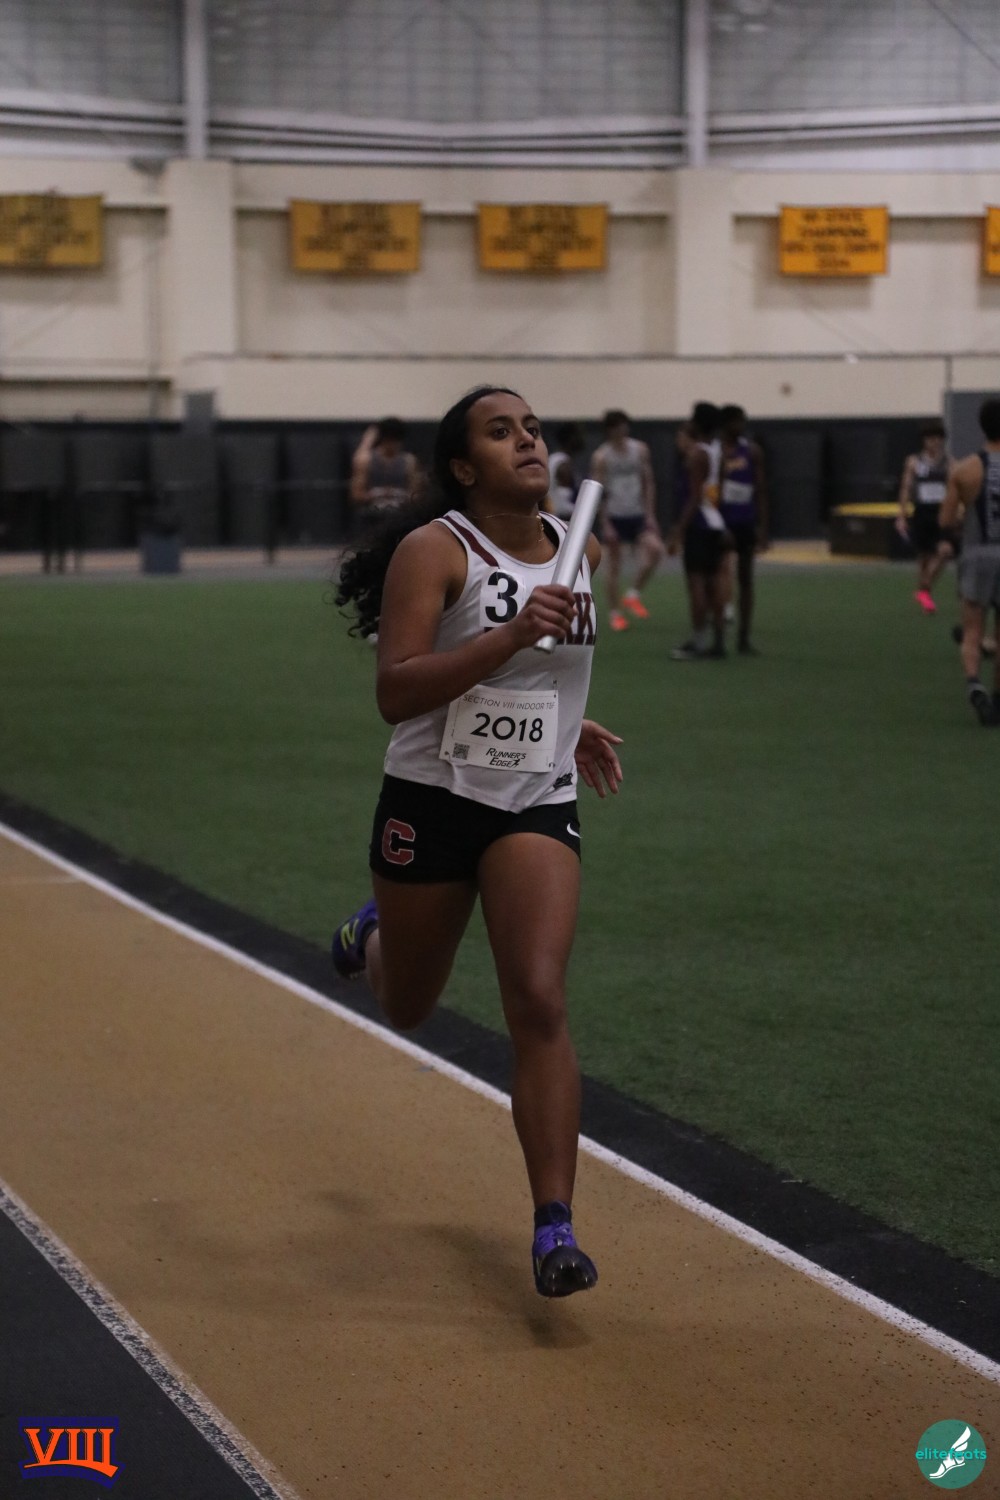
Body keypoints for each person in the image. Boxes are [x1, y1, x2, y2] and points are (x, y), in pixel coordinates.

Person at [332, 385, 623, 1297]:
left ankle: (554, 1227)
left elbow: (551, 674)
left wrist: (569, 724)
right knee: (408, 1004)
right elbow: (397, 690)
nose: (527, 440)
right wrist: (510, 639)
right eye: (502, 433)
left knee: (537, 997)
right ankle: (373, 934)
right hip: (433, 800)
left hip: (534, 799)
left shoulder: (583, 548)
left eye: (532, 428)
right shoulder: (435, 550)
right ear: (464, 466)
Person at [939, 397, 1000, 726]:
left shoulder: (964, 470)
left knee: (973, 631)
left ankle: (975, 684)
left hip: (977, 556)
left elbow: (946, 521)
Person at [590, 409, 665, 632]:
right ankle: (615, 614)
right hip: (615, 515)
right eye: (616, 426)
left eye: (624, 425)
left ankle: (632, 594)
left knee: (656, 550)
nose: (622, 430)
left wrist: (650, 514)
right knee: (614, 566)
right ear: (609, 430)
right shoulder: (602, 457)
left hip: (638, 514)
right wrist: (606, 524)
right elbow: (598, 492)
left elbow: (648, 482)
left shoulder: (639, 450)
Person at [668, 402, 730, 660]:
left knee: (697, 586)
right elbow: (718, 492)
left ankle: (699, 642)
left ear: (696, 422)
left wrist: (678, 530)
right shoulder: (717, 453)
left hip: (699, 525)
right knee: (715, 585)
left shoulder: (696, 455)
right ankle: (719, 642)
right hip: (715, 522)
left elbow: (695, 497)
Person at [718, 405, 769, 655]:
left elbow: (760, 489)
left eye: (743, 421)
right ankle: (718, 636)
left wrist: (763, 527)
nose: (741, 426)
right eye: (736, 422)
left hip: (745, 521)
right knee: (718, 577)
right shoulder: (716, 452)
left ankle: (744, 637)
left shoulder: (752, 451)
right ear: (726, 424)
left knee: (746, 579)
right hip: (721, 522)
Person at [895, 419, 952, 613]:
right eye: (930, 438)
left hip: (941, 513)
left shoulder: (949, 462)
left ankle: (924, 587)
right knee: (924, 558)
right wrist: (901, 516)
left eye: (937, 438)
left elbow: (954, 489)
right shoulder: (914, 462)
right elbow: (906, 488)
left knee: (944, 551)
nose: (934, 442)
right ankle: (926, 598)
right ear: (923, 440)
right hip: (922, 512)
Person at [350, 418, 420, 513]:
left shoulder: (409, 461)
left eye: (396, 441)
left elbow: (416, 494)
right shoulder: (366, 460)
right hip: (373, 512)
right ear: (382, 439)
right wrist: (378, 494)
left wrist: (398, 494)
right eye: (389, 440)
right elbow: (356, 494)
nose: (392, 445)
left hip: (401, 512)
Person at [546, 422, 585, 520]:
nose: (581, 439)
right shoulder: (563, 464)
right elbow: (563, 500)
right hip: (561, 517)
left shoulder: (554, 458)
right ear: (571, 438)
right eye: (578, 435)